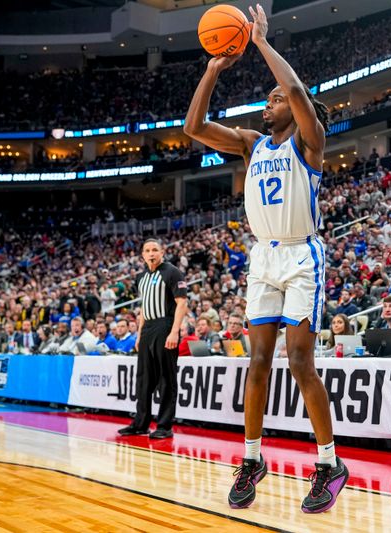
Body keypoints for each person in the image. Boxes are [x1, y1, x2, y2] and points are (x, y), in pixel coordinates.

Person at [183, 5, 348, 512]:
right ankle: (252, 458)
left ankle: (329, 464)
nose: (268, 103)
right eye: (268, 99)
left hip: (301, 254)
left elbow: (297, 93)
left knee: (300, 361)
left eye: (272, 99)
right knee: (256, 362)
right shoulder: (253, 144)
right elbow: (194, 127)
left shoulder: (310, 141)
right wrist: (211, 70)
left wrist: (258, 42)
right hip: (263, 259)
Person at [118, 239, 187, 440]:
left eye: (155, 250)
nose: (151, 253)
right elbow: (143, 309)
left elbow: (182, 303)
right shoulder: (142, 277)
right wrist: (139, 335)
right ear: (142, 255)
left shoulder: (172, 272)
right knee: (144, 379)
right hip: (147, 328)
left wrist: (174, 332)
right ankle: (140, 424)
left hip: (165, 326)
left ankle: (164, 426)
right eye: (147, 250)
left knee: (167, 378)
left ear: (162, 252)